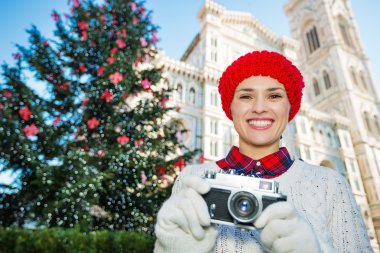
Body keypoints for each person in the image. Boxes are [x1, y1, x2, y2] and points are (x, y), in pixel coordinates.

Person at [153, 50, 373, 253]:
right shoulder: (192, 180)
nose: (259, 107)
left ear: (291, 106)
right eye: (246, 96)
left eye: (274, 96)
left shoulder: (330, 185)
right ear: (230, 107)